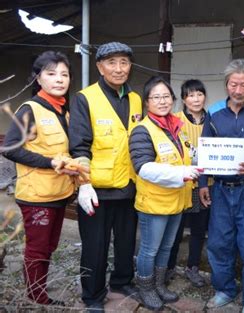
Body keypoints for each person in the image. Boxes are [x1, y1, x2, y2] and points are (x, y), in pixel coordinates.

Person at [68, 42, 142, 311]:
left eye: (124, 62)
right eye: (112, 62)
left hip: (128, 186)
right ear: (100, 67)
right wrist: (84, 184)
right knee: (95, 246)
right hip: (97, 189)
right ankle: (92, 295)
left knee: (126, 241)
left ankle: (122, 281)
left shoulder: (136, 99)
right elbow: (78, 146)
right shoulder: (84, 98)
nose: (119, 68)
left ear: (130, 66)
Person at [198, 58, 244, 313]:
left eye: (243, 85)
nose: (238, 90)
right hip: (220, 189)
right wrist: (202, 183)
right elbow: (204, 150)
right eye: (233, 84)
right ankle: (225, 290)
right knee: (219, 243)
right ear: (226, 85)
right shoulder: (214, 112)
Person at [3, 51, 76, 306]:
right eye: (51, 73)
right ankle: (36, 298)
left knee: (48, 247)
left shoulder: (62, 111)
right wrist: (50, 162)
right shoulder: (30, 109)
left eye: (64, 74)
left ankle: (38, 290)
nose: (59, 79)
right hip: (36, 196)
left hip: (58, 193)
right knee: (38, 249)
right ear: (38, 78)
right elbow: (10, 148)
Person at [129, 76, 201, 310]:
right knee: (149, 250)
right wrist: (182, 173)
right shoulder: (142, 130)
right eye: (156, 97)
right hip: (155, 203)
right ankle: (145, 288)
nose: (162, 101)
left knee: (167, 248)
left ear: (173, 99)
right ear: (147, 102)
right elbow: (143, 167)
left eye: (166, 96)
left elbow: (187, 156)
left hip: (177, 200)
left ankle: (159, 285)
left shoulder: (176, 128)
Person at [167, 79, 211, 288]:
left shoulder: (212, 120)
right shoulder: (174, 120)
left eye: (199, 94)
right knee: (174, 229)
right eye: (191, 95)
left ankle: (192, 267)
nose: (196, 99)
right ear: (184, 99)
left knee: (199, 229)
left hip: (204, 184)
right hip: (181, 182)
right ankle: (168, 267)